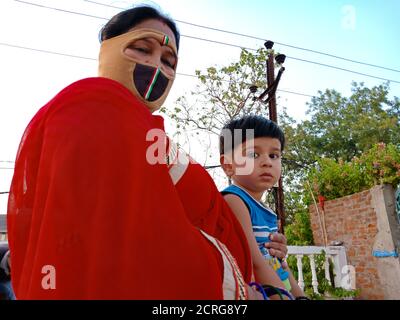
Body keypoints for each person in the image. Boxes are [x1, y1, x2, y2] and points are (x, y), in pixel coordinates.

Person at [7, 5, 288, 300]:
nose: (157, 67)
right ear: (108, 50)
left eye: (169, 61)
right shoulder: (90, 106)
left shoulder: (146, 131)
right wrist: (244, 290)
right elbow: (130, 240)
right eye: (143, 49)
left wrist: (263, 256)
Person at [219, 115, 305, 299]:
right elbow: (255, 262)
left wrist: (300, 296)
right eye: (253, 154)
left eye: (274, 155)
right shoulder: (234, 200)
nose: (267, 161)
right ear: (228, 165)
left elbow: (279, 263)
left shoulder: (265, 210)